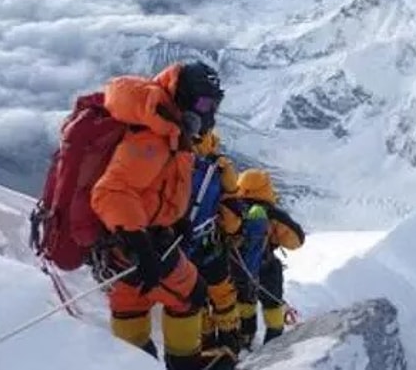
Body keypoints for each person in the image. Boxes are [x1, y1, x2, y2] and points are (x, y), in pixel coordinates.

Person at [89, 61, 224, 370]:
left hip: (122, 245)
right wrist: (139, 243)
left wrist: (176, 221)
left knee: (131, 304)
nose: (209, 113)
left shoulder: (167, 129)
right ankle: (184, 364)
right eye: (204, 104)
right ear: (185, 99)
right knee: (191, 295)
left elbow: (156, 187)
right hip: (136, 242)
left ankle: (136, 362)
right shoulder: (152, 138)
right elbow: (111, 191)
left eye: (214, 105)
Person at [178, 129, 253, 369]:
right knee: (222, 295)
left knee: (194, 297)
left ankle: (205, 343)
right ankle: (229, 343)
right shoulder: (217, 168)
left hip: (176, 250)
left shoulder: (171, 158)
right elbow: (231, 214)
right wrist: (232, 232)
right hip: (209, 246)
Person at [226, 169, 305, 349]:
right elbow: (296, 240)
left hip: (236, 267)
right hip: (266, 266)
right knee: (273, 304)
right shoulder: (271, 213)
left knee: (245, 300)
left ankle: (245, 337)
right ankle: (274, 340)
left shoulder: (231, 207)